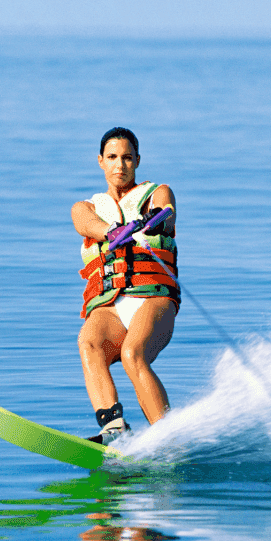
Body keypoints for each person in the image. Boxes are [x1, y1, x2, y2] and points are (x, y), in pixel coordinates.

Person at [71, 127, 179, 446]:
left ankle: (167, 440)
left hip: (153, 298)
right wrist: (112, 232)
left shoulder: (157, 192)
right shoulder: (85, 207)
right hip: (112, 305)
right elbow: (86, 225)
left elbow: (167, 212)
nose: (120, 164)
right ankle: (115, 430)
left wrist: (154, 220)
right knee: (88, 343)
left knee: (133, 354)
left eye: (127, 158)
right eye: (113, 157)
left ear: (137, 161)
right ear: (101, 161)